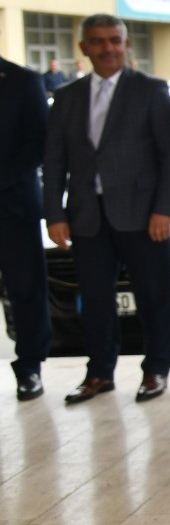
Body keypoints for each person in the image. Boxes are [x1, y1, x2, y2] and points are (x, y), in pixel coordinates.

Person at [42, 14, 170, 404]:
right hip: (87, 217)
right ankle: (100, 373)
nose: (108, 48)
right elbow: (53, 161)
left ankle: (156, 370)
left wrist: (164, 210)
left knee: (154, 296)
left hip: (143, 216)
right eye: (98, 41)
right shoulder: (68, 97)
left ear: (126, 45)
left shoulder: (151, 90)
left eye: (114, 41)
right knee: (94, 300)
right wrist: (54, 214)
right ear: (83, 48)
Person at [1, 56, 52, 401]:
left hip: (12, 204)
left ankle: (30, 367)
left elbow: (39, 143)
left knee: (25, 288)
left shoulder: (23, 81)